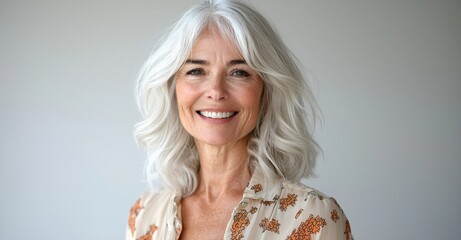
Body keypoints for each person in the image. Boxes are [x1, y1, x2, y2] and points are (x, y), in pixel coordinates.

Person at [126, 0, 353, 239]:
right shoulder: (145, 215)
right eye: (196, 71)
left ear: (266, 93)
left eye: (239, 73)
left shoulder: (311, 217)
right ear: (173, 89)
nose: (216, 90)